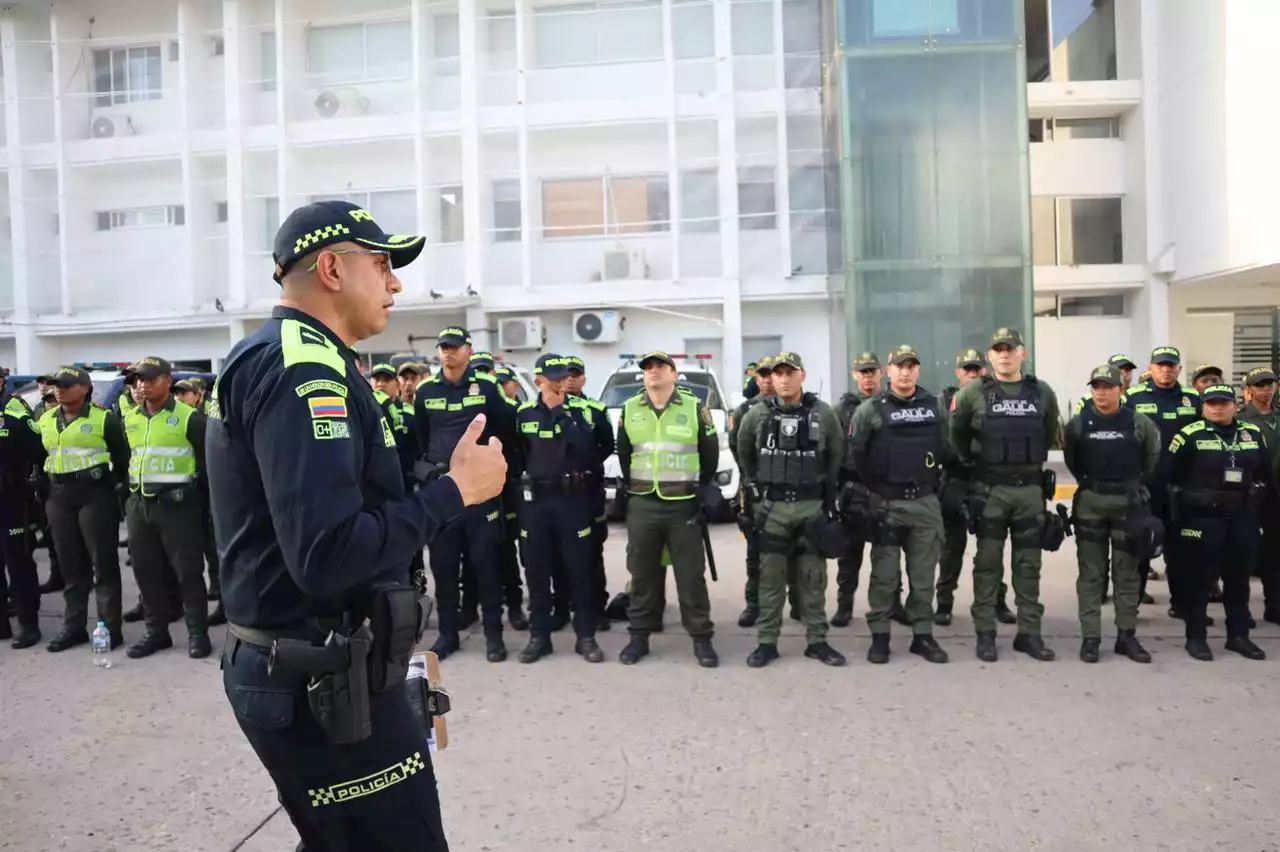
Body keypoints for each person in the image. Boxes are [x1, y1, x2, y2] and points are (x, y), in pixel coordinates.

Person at [209, 198, 506, 850]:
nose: (397, 281)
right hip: (319, 675)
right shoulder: (300, 368)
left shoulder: (290, 354)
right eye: (383, 264)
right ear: (333, 268)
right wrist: (455, 492)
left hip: (323, 663)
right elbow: (328, 552)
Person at [950, 328, 1062, 662]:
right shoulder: (972, 393)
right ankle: (985, 633)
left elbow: (1050, 430)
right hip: (990, 491)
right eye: (998, 350)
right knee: (987, 565)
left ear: (1022, 353)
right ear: (989, 356)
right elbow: (956, 438)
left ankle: (1029, 634)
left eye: (1010, 349)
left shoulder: (1041, 391)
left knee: (1029, 566)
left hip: (1030, 490)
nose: (1004, 355)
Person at [415, 326, 521, 661]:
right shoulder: (425, 390)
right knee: (444, 569)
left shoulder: (487, 387)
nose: (448, 352)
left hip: (479, 494)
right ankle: (448, 635)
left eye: (455, 347)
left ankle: (493, 635)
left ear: (469, 352)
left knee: (486, 567)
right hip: (442, 493)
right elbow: (420, 438)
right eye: (444, 347)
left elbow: (507, 427)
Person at [736, 351, 846, 668]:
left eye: (790, 372)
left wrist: (824, 494)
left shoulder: (823, 414)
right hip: (771, 509)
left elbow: (836, 455)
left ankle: (817, 641)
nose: (783, 379)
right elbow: (745, 454)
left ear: (802, 376)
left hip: (810, 507)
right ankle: (767, 642)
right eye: (778, 373)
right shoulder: (756, 414)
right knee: (770, 580)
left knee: (813, 579)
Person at [846, 345, 950, 664]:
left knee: (923, 576)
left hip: (924, 502)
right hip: (886, 504)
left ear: (918, 371)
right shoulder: (870, 410)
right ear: (887, 372)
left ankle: (923, 636)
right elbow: (857, 455)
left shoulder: (935, 406)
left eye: (911, 366)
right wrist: (875, 492)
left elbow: (946, 448)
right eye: (898, 366)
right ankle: (880, 638)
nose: (905, 372)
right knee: (884, 575)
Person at [616, 351, 719, 667]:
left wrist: (700, 492)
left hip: (682, 506)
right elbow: (624, 454)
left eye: (660, 367)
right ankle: (639, 638)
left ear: (674, 375)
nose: (653, 372)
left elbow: (709, 455)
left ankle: (701, 639)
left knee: (690, 577)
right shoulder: (630, 409)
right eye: (648, 368)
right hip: (643, 504)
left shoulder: (695, 409)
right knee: (642, 574)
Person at [1166, 384, 1272, 661]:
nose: (1217, 407)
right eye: (1211, 403)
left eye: (1223, 403)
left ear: (1235, 405)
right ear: (1203, 407)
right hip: (1202, 518)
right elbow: (1169, 476)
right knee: (1199, 580)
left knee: (1239, 579)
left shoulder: (1253, 434)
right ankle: (1196, 637)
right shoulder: (1189, 436)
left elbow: (1265, 472)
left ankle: (1238, 636)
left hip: (1242, 517)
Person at [515, 354, 611, 663]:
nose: (560, 382)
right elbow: (517, 455)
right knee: (537, 570)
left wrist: (560, 413)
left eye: (563, 376)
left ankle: (586, 636)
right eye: (553, 377)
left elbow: (590, 448)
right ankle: (539, 636)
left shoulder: (583, 410)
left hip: (572, 501)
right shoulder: (523, 413)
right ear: (538, 379)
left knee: (580, 569)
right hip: (536, 503)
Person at [1063, 364, 1161, 663]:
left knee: (1127, 573)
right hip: (1091, 502)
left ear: (1121, 389)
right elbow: (1073, 461)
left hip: (1128, 505)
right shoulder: (1078, 424)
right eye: (1096, 386)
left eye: (1107, 386)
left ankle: (1126, 637)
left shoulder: (1139, 423)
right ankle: (1090, 638)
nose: (1101, 392)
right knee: (1091, 575)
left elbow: (1150, 460)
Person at [117, 357, 213, 659]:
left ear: (168, 380)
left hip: (178, 506)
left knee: (188, 572)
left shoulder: (189, 418)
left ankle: (197, 633)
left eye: (149, 378)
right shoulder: (130, 418)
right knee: (146, 572)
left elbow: (208, 464)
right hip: (139, 505)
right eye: (137, 379)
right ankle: (156, 632)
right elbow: (125, 461)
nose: (142, 385)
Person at [38, 366, 132, 653]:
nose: (60, 389)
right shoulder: (44, 419)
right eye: (56, 385)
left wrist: (114, 490)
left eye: (67, 385)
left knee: (103, 564)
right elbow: (40, 457)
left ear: (85, 388)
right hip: (59, 497)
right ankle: (74, 626)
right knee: (71, 566)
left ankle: (109, 628)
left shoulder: (104, 419)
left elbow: (123, 459)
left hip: (94, 495)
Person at [1124, 347, 1201, 615]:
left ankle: (1180, 604)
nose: (1166, 370)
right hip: (1147, 486)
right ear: (1151, 368)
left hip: (1184, 487)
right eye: (1161, 365)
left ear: (1179, 369)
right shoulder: (1133, 397)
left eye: (1171, 365)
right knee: (1142, 546)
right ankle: (1130, 606)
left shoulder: (1192, 398)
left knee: (1182, 551)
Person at [936, 348, 991, 626]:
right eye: (967, 368)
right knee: (950, 549)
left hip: (986, 480)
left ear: (985, 371)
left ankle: (997, 602)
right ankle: (944, 602)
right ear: (958, 372)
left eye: (977, 368)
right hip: (955, 481)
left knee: (990, 548)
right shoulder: (943, 402)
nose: (972, 373)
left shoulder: (994, 399)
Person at [729, 355, 785, 627]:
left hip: (788, 491)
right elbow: (737, 447)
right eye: (761, 374)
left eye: (771, 374)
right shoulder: (745, 411)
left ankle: (796, 603)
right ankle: (754, 603)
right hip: (754, 492)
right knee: (755, 551)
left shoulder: (793, 407)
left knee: (796, 550)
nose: (766, 379)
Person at [565, 354, 614, 630]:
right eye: (566, 374)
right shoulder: (546, 408)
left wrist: (586, 465)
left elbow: (607, 444)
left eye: (576, 373)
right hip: (557, 494)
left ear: (583, 378)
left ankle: (597, 606)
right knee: (559, 554)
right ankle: (564, 604)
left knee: (593, 551)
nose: (571, 378)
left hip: (588, 491)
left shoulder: (595, 409)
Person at [0, 376, 45, 649]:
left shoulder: (14, 410)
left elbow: (39, 451)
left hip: (11, 499)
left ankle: (29, 623)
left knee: (18, 560)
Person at [1239, 367, 1279, 623]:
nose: (1266, 389)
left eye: (1270, 384)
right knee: (1244, 553)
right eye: (1260, 385)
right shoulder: (1241, 420)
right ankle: (1240, 610)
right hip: (1250, 495)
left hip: (1277, 498)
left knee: (1275, 554)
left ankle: (1274, 605)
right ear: (1249, 390)